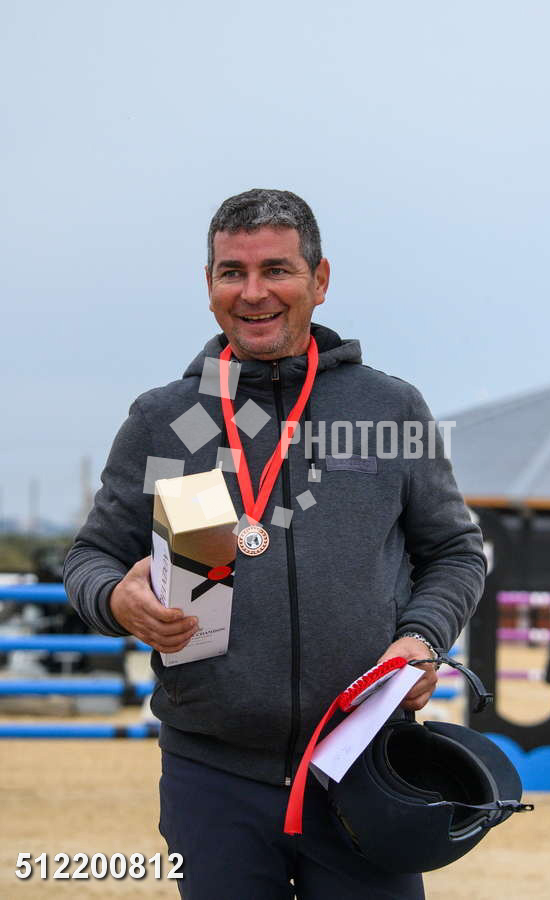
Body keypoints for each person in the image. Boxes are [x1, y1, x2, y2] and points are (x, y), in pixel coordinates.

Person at [64, 189, 486, 899]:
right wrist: (115, 598)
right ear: (209, 285)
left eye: (277, 270)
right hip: (213, 774)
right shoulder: (164, 418)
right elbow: (90, 558)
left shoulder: (389, 410)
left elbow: (455, 553)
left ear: (320, 280)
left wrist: (420, 639)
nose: (253, 292)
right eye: (232, 272)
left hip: (364, 764)